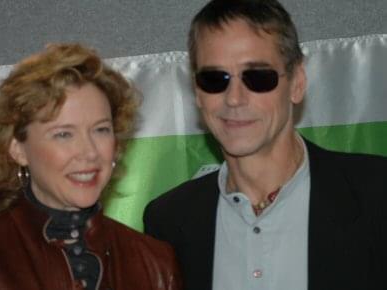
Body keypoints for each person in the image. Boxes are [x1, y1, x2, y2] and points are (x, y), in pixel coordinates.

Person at [143, 1, 387, 290]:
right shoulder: (168, 222)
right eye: (214, 79)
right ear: (198, 92)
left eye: (258, 77)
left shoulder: (377, 194)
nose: (234, 98)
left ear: (296, 82)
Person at [0, 43, 182, 290]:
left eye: (101, 130)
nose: (89, 151)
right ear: (17, 148)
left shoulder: (156, 263)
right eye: (63, 134)